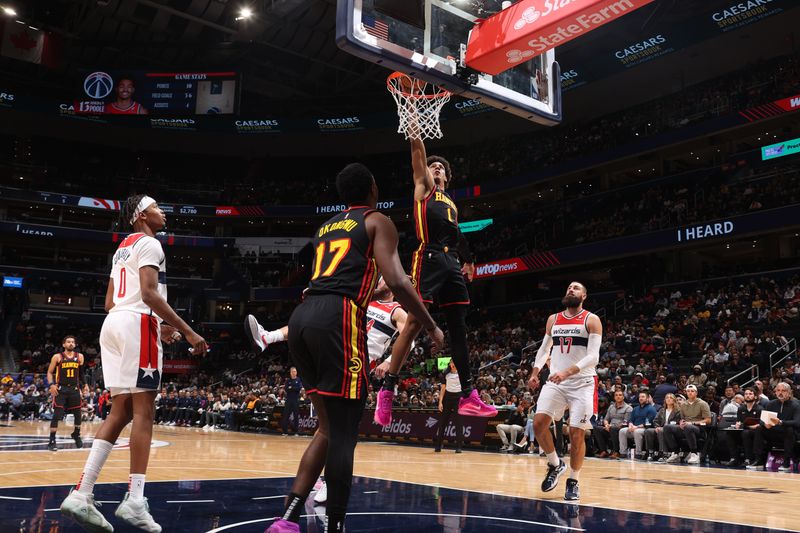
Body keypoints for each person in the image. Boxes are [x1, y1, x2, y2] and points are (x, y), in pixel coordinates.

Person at [267, 163, 444, 533]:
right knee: (345, 433)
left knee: (328, 429)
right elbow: (395, 279)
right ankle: (335, 525)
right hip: (339, 315)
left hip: (302, 316)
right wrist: (429, 323)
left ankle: (286, 521)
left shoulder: (326, 226)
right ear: (373, 188)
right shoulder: (377, 220)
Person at [60, 194, 207, 533]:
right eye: (158, 207)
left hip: (112, 325)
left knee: (120, 412)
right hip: (137, 324)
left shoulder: (122, 247)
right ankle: (136, 500)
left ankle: (81, 494)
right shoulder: (151, 244)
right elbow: (150, 294)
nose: (163, 211)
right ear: (142, 215)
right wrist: (187, 332)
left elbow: (112, 300)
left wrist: (160, 325)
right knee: (144, 412)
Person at [374, 117, 496, 426]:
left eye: (441, 167)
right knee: (413, 324)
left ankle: (468, 394)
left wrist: (467, 259)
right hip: (426, 257)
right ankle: (387, 389)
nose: (436, 168)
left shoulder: (451, 202)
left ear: (448, 177)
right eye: (433, 166)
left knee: (459, 329)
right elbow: (417, 153)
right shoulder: (423, 188)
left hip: (451, 262)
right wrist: (415, 127)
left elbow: (457, 236)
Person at [528, 282, 603, 501]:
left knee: (576, 434)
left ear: (584, 296)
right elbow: (544, 349)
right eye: (569, 287)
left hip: (582, 382)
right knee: (538, 423)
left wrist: (566, 372)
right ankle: (555, 464)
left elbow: (594, 356)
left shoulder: (592, 320)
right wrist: (535, 372)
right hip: (556, 381)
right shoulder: (554, 319)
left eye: (576, 288)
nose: (571, 289)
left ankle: (573, 480)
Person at [46, 335, 85, 451]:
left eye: (73, 342)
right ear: (64, 344)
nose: (71, 344)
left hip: (74, 389)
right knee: (57, 415)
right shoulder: (57, 357)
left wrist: (85, 385)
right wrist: (51, 385)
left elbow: (81, 373)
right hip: (61, 389)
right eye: (68, 342)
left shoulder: (80, 356)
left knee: (78, 414)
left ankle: (76, 434)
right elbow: (49, 372)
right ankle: (52, 440)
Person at [751, 382, 799, 472]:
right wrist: (764, 423)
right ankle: (758, 460)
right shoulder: (771, 404)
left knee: (789, 430)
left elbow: (797, 422)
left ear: (789, 392)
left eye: (783, 391)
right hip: (774, 432)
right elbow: (762, 419)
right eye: (778, 390)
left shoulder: (796, 405)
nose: (780, 393)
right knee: (759, 429)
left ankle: (786, 463)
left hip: (788, 433)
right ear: (775, 392)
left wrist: (781, 422)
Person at [664, 384, 711, 464]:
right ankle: (675, 453)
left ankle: (694, 454)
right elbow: (682, 418)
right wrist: (681, 422)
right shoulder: (683, 405)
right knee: (667, 427)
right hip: (686, 426)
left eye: (692, 391)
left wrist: (692, 423)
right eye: (688, 391)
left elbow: (708, 420)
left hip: (698, 428)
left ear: (696, 393)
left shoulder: (703, 403)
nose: (690, 393)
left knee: (688, 427)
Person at [435, 359, 464, 453]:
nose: (453, 364)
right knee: (442, 422)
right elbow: (443, 389)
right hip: (448, 398)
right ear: (450, 364)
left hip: (458, 399)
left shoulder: (462, 373)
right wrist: (440, 402)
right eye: (452, 363)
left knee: (458, 423)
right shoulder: (445, 373)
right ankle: (438, 445)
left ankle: (459, 446)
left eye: (455, 363)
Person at [593, 389, 631, 459]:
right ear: (614, 397)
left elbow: (625, 422)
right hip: (609, 428)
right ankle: (604, 450)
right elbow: (606, 419)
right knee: (596, 428)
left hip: (620, 429)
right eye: (616, 395)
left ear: (623, 397)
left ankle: (616, 451)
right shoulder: (611, 407)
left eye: (620, 395)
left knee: (613, 429)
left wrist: (611, 426)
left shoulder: (628, 408)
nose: (618, 397)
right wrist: (606, 424)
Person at [619, 392, 658, 459]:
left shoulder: (651, 409)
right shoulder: (635, 409)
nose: (641, 398)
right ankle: (623, 452)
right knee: (622, 431)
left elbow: (648, 423)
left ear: (647, 398)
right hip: (633, 428)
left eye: (643, 397)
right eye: (640, 397)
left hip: (644, 429)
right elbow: (631, 419)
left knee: (637, 432)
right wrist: (630, 425)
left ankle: (638, 453)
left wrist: (636, 427)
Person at [645, 393, 680, 462]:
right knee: (648, 431)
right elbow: (655, 420)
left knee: (661, 431)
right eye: (667, 398)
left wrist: (664, 428)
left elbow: (677, 422)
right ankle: (651, 452)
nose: (669, 399)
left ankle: (664, 453)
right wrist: (657, 427)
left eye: (671, 398)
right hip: (660, 428)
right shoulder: (662, 410)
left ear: (674, 400)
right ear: (665, 400)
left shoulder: (678, 411)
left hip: (671, 429)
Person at [282, 367, 302, 436]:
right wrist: (292, 388)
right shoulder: (288, 380)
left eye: (295, 371)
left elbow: (298, 388)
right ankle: (285, 431)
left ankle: (296, 432)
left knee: (296, 416)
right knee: (286, 415)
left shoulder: (298, 380)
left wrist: (291, 388)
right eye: (293, 371)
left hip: (296, 400)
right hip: (288, 400)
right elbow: (286, 389)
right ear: (290, 373)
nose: (294, 373)